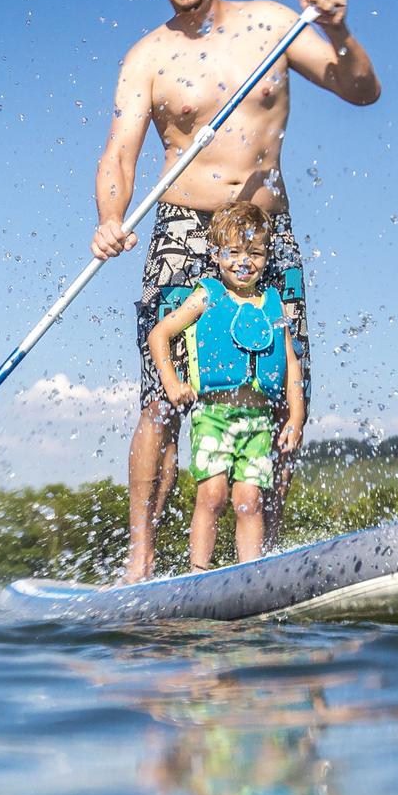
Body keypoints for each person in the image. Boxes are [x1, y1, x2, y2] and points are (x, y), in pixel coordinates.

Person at [92, 0, 380, 581]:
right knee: (165, 399)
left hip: (264, 231)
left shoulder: (273, 25)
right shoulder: (149, 56)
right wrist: (110, 216)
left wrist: (339, 32)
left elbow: (360, 90)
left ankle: (262, 561)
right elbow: (119, 154)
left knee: (274, 395)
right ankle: (141, 562)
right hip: (184, 231)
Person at [147, 204, 305, 571]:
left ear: (266, 256)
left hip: (258, 420)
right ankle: (198, 573)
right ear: (217, 252)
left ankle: (249, 575)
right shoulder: (207, 294)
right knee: (213, 496)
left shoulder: (273, 303)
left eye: (254, 253)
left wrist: (295, 418)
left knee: (249, 501)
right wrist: (171, 382)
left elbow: (292, 364)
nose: (243, 261)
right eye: (233, 252)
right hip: (213, 415)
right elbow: (160, 334)